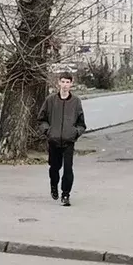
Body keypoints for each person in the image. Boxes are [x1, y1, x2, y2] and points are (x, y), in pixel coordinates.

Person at [38, 72, 86, 207]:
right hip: (53, 140)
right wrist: (48, 131)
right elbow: (41, 119)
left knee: (68, 169)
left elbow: (81, 123)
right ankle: (54, 185)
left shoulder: (76, 102)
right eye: (63, 82)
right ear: (58, 82)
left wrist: (75, 133)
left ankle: (66, 194)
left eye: (67, 82)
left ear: (71, 84)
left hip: (68, 141)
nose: (65, 85)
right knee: (54, 167)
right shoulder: (50, 100)